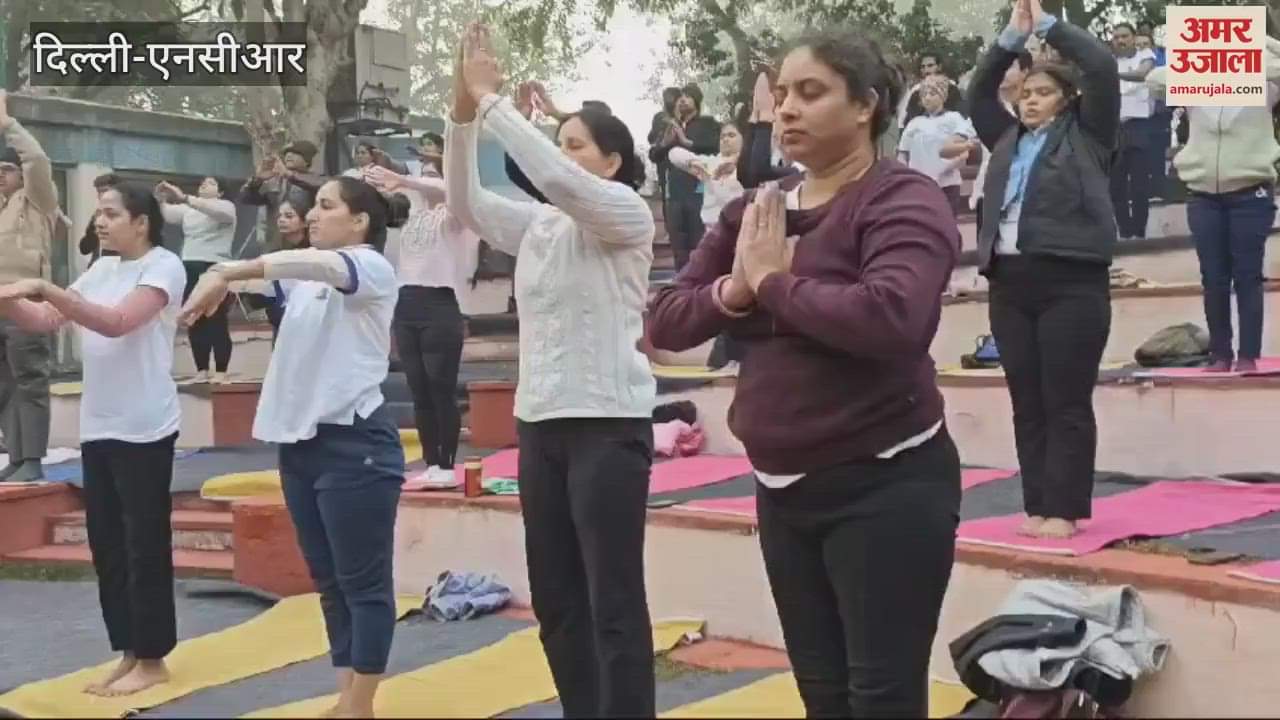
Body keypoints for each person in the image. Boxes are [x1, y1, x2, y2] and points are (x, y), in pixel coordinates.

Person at [646, 27, 962, 717]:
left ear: (865, 107)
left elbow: (892, 319)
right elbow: (665, 322)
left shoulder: (901, 199)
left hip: (886, 482)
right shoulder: (752, 210)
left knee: (880, 695)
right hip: (783, 489)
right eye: (782, 93)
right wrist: (735, 292)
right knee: (822, 694)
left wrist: (774, 285)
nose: (785, 109)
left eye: (810, 93)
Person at [447, 23, 657, 717]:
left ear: (613, 162)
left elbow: (556, 180)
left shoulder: (624, 215)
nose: (560, 157)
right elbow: (465, 203)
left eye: (575, 145)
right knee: (559, 603)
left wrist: (496, 104)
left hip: (608, 430)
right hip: (540, 431)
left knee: (614, 604)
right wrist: (462, 115)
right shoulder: (537, 229)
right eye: (558, 141)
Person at [181, 176, 405, 719]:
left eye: (326, 206)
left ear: (360, 222)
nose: (312, 214)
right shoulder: (302, 280)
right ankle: (348, 697)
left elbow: (316, 266)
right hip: (302, 446)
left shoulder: (370, 267)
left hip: (357, 446)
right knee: (329, 582)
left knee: (363, 583)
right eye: (314, 206)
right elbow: (271, 277)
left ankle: (361, 705)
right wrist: (217, 276)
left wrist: (231, 270)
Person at [0, 181, 186, 696]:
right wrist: (12, 297)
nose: (99, 221)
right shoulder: (102, 268)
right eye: (99, 214)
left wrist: (45, 287)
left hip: (145, 426)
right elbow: (44, 319)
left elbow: (117, 322)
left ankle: (154, 658)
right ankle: (129, 652)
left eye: (109, 213)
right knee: (108, 547)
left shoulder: (163, 267)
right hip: (99, 426)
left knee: (144, 543)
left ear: (141, 222)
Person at [971, 0, 1120, 539]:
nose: (1029, 100)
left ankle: (1065, 508)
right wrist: (1012, 38)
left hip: (1071, 281)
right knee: (1026, 400)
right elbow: (978, 92)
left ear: (1067, 100)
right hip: (1010, 283)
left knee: (1065, 398)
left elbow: (1101, 66)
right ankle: (1037, 505)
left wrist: (1051, 27)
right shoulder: (1005, 138)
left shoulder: (1089, 135)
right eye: (1025, 93)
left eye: (1042, 93)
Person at [1147, 38, 1280, 372]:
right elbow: (1155, 78)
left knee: (1247, 275)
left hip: (1251, 193)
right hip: (1204, 195)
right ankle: (1221, 353)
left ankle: (1249, 355)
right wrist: (1201, 62)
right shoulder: (1196, 85)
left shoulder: (1264, 86)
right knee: (1213, 278)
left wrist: (1257, 43)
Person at [366, 163, 479, 490]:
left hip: (439, 304)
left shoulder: (456, 216)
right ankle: (431, 462)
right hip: (406, 303)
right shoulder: (412, 217)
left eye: (431, 174)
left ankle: (447, 463)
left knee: (440, 388)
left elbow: (450, 188)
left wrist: (403, 179)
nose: (424, 181)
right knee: (419, 391)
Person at [0, 90, 58, 483]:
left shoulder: (37, 200)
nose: (1, 175)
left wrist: (8, 125)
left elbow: (37, 159)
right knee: (5, 384)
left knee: (30, 380)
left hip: (27, 301)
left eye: (7, 169)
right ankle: (17, 456)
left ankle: (33, 457)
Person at [156, 177, 237, 384]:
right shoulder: (189, 210)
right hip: (190, 264)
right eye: (202, 182)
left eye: (211, 183)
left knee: (215, 316)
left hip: (215, 266)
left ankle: (221, 370)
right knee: (195, 318)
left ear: (220, 192)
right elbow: (167, 213)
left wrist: (184, 197)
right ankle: (201, 369)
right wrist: (161, 198)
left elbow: (217, 212)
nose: (203, 184)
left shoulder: (226, 207)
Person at [648, 84, 722, 271]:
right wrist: (666, 143)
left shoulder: (708, 123)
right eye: (680, 97)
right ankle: (681, 287)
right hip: (673, 194)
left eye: (688, 96)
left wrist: (686, 141)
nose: (682, 100)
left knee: (699, 242)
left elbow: (715, 147)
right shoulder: (669, 125)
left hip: (699, 191)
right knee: (678, 245)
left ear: (697, 101)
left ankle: (699, 286)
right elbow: (654, 155)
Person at [898, 75, 979, 218]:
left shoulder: (954, 119)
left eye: (932, 93)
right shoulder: (914, 123)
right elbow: (903, 154)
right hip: (920, 186)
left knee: (946, 225)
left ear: (943, 97)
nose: (927, 98)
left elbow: (963, 152)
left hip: (947, 185)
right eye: (924, 95)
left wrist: (944, 168)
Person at [969, 52, 1032, 230]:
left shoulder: (1038, 108)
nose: (1001, 72)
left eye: (1009, 67)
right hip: (991, 196)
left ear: (1025, 71)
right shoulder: (986, 109)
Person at [1110, 22, 1156, 240]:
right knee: (1116, 184)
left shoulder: (1145, 55)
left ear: (1133, 37)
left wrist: (1114, 75)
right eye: (1116, 36)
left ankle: (1139, 231)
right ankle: (1125, 231)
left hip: (1139, 126)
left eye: (1125, 36)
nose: (1120, 40)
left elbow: (1142, 74)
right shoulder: (1109, 60)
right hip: (1114, 128)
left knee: (1139, 184)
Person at [239, 140, 325, 253]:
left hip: (306, 245)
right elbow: (246, 198)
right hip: (275, 244)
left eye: (296, 153)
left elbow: (320, 185)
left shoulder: (316, 180)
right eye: (286, 153)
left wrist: (288, 175)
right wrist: (258, 179)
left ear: (307, 159)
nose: (289, 155)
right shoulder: (274, 181)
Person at [668, 122, 745, 226]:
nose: (725, 139)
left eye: (731, 135)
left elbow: (731, 200)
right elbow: (673, 153)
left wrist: (734, 161)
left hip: (739, 225)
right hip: (712, 228)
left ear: (743, 139)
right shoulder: (711, 162)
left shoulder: (749, 165)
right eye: (722, 137)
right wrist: (696, 165)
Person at [898, 52, 966, 128]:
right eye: (923, 67)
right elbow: (907, 120)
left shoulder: (951, 89)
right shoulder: (916, 91)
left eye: (930, 66)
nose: (926, 70)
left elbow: (960, 116)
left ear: (939, 67)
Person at [79, 173, 122, 263]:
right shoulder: (97, 215)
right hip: (97, 269)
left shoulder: (125, 215)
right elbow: (85, 249)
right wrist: (94, 228)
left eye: (105, 191)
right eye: (99, 192)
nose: (101, 195)